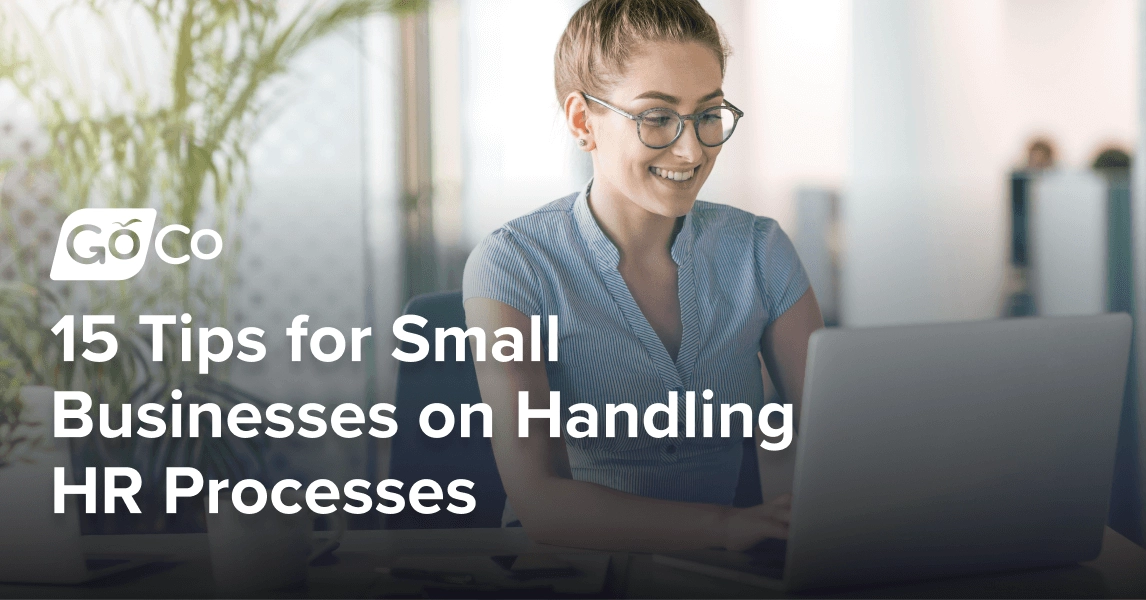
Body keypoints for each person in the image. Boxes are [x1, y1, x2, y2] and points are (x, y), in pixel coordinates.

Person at [462, 0, 823, 553]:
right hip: (564, 577)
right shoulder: (513, 263)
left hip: (716, 577)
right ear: (583, 121)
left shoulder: (759, 250)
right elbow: (541, 502)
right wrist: (729, 529)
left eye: (708, 114)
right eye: (656, 117)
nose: (692, 148)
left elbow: (832, 439)